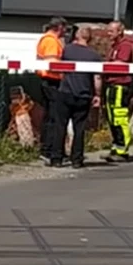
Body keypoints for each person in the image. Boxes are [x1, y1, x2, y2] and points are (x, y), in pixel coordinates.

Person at [50, 25, 102, 168]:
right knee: (79, 128)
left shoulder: (68, 50)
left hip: (65, 92)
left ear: (77, 36)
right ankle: (77, 159)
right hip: (84, 95)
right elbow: (97, 78)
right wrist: (97, 95)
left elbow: (55, 62)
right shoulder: (94, 56)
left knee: (60, 125)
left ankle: (56, 158)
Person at [102, 20, 133, 163]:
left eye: (111, 31)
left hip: (120, 86)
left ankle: (123, 150)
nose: (108, 34)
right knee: (112, 118)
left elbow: (121, 63)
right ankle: (116, 147)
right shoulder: (114, 46)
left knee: (119, 117)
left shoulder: (125, 46)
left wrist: (104, 65)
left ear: (120, 31)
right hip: (111, 85)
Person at [36, 17, 67, 161]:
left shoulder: (46, 39)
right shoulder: (51, 41)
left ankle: (47, 148)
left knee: (49, 116)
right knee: (54, 117)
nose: (65, 32)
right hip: (52, 80)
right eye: (65, 28)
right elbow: (53, 63)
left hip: (47, 80)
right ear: (60, 27)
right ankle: (49, 149)